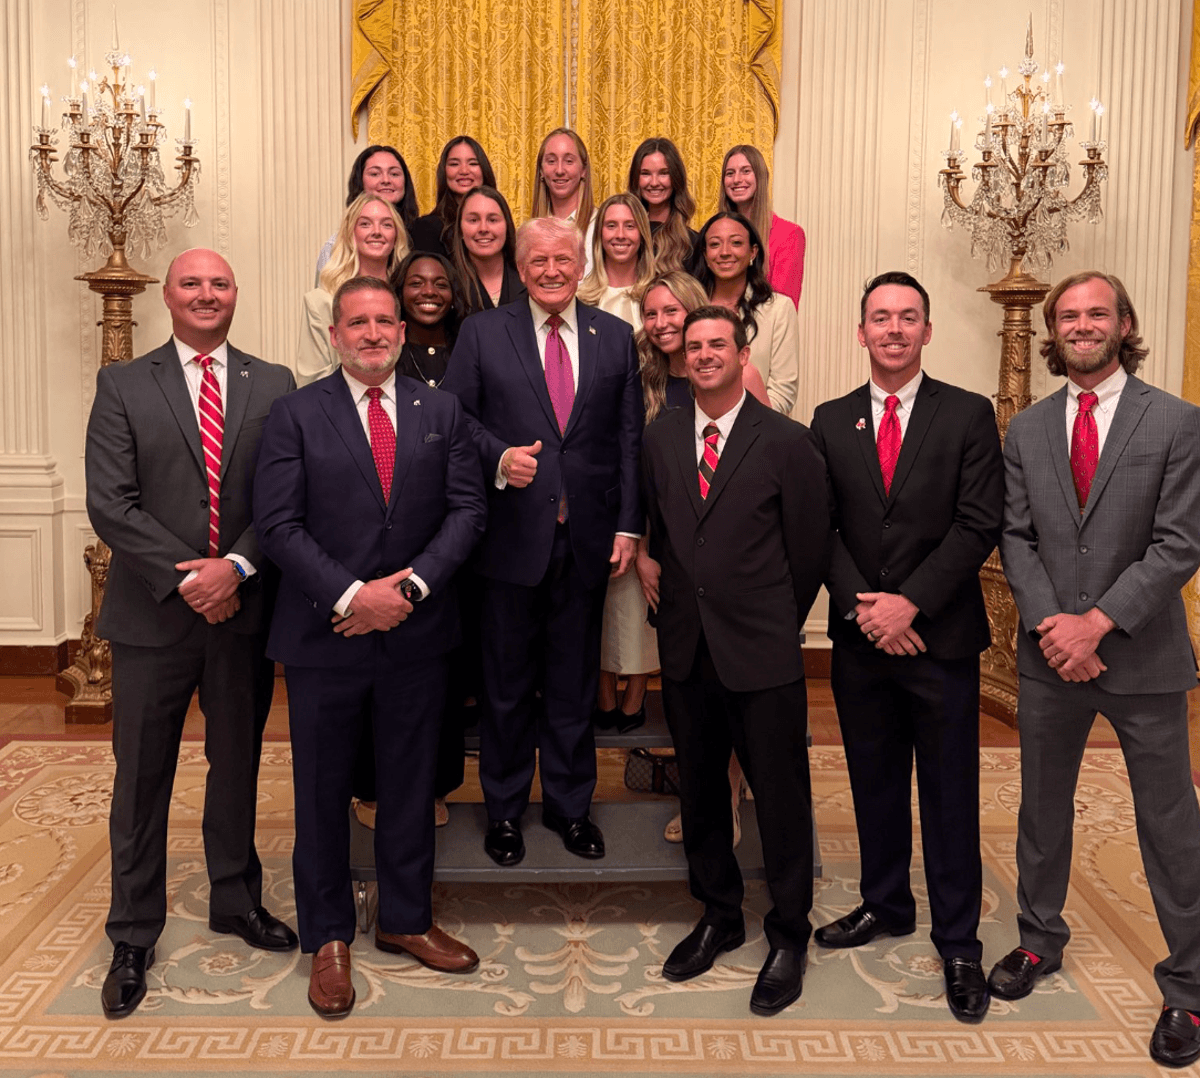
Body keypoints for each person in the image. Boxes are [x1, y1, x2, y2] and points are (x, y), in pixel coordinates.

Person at [254, 277, 487, 1018]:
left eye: (385, 320)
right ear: (336, 334)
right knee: (323, 791)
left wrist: (408, 591)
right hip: (327, 637)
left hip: (418, 635)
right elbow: (281, 526)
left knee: (410, 785)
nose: (375, 332)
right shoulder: (294, 414)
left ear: (401, 331)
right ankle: (327, 938)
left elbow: (467, 510)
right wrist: (358, 598)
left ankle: (406, 918)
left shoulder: (441, 409)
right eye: (359, 321)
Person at [989, 271, 1200, 1068]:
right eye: (1068, 316)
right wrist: (1054, 626)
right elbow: (1017, 536)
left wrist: (1097, 624)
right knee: (1041, 813)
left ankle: (1190, 986)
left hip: (1142, 655)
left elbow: (1180, 543)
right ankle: (1039, 942)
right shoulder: (1027, 429)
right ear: (1053, 331)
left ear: (1124, 324)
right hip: (1051, 658)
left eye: (1095, 313)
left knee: (1170, 824)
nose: (1082, 326)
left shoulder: (1178, 422)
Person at [84, 248, 298, 1019]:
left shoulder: (272, 382)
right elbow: (111, 502)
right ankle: (133, 931)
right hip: (152, 617)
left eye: (220, 283)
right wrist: (190, 578)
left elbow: (283, 494)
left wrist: (234, 568)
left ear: (236, 294)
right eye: (192, 284)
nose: (207, 295)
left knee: (236, 761)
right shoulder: (122, 383)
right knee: (142, 777)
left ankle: (235, 898)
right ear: (169, 298)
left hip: (241, 612)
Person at [809, 271, 1003, 1024]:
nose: (893, 329)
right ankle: (885, 903)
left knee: (950, 795)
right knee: (874, 781)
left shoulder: (968, 415)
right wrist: (869, 611)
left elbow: (977, 521)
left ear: (927, 332)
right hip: (863, 641)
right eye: (880, 318)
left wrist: (909, 603)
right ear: (861, 333)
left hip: (940, 638)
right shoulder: (828, 422)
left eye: (908, 318)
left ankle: (958, 941)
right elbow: (819, 528)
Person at [641, 305, 828, 1016]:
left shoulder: (785, 441)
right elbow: (662, 526)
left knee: (779, 796)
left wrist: (774, 618)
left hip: (762, 648)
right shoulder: (660, 438)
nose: (706, 355)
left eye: (719, 344)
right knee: (699, 791)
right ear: (682, 360)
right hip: (687, 646)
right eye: (695, 347)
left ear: (743, 353)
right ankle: (719, 912)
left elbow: (808, 549)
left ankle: (788, 932)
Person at [443, 216, 643, 867]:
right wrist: (499, 458)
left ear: (579, 265)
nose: (552, 270)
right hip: (507, 543)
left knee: (572, 685)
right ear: (521, 267)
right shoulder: (481, 333)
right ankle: (504, 812)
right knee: (503, 688)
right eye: (539, 261)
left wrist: (627, 526)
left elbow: (627, 441)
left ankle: (568, 807)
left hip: (586, 542)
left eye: (563, 259)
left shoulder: (614, 337)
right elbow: (454, 420)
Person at [636, 271, 768, 845]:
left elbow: (761, 465)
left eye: (673, 312)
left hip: (734, 560)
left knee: (730, 680)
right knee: (687, 682)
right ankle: (699, 794)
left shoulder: (737, 372)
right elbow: (641, 476)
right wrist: (643, 550)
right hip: (669, 551)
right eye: (652, 313)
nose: (663, 323)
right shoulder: (643, 379)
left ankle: (730, 793)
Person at [392, 250, 476, 825]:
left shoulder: (471, 347)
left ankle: (441, 783)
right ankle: (386, 784)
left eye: (440, 283)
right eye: (416, 283)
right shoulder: (378, 351)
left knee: (450, 664)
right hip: (397, 533)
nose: (429, 291)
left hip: (463, 528)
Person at [578, 194, 658, 730]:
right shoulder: (580, 295)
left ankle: (634, 691)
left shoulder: (658, 292)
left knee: (636, 576)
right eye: (611, 224)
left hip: (648, 441)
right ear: (598, 233)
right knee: (600, 578)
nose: (621, 233)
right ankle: (601, 688)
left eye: (631, 225)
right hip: (593, 451)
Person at [690, 211, 799, 416]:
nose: (724, 252)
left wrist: (747, 428)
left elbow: (784, 391)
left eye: (736, 243)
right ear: (705, 255)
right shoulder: (690, 306)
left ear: (753, 252)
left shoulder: (779, 309)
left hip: (756, 432)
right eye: (714, 244)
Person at [297, 193, 407, 385]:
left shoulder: (408, 298)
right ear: (351, 233)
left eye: (387, 225)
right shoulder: (322, 301)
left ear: (396, 236)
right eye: (365, 224)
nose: (377, 231)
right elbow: (312, 384)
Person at [314, 145, 419, 283]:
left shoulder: (422, 236)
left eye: (394, 174)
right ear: (360, 181)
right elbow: (324, 300)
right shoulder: (335, 247)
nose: (386, 180)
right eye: (375, 174)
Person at [720, 145, 806, 308]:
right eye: (730, 173)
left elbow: (784, 306)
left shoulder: (789, 235)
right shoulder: (714, 234)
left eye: (746, 171)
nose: (737, 179)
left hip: (765, 329)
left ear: (760, 177)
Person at [409, 136, 497, 258]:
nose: (464, 171)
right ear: (444, 172)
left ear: (484, 170)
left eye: (473, 163)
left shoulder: (499, 225)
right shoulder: (427, 228)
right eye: (454, 164)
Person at [451, 186, 527, 314]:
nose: (483, 228)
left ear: (507, 226)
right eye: (473, 220)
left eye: (492, 220)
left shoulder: (528, 277)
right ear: (460, 230)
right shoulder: (448, 282)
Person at [627, 138, 698, 274]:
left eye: (663, 173)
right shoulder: (625, 237)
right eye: (646, 173)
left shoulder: (692, 243)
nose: (654, 182)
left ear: (676, 178)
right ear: (636, 179)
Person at [530, 128, 596, 272]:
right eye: (551, 161)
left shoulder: (600, 227)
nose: (559, 170)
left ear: (583, 170)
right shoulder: (529, 233)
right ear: (541, 171)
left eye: (569, 161)